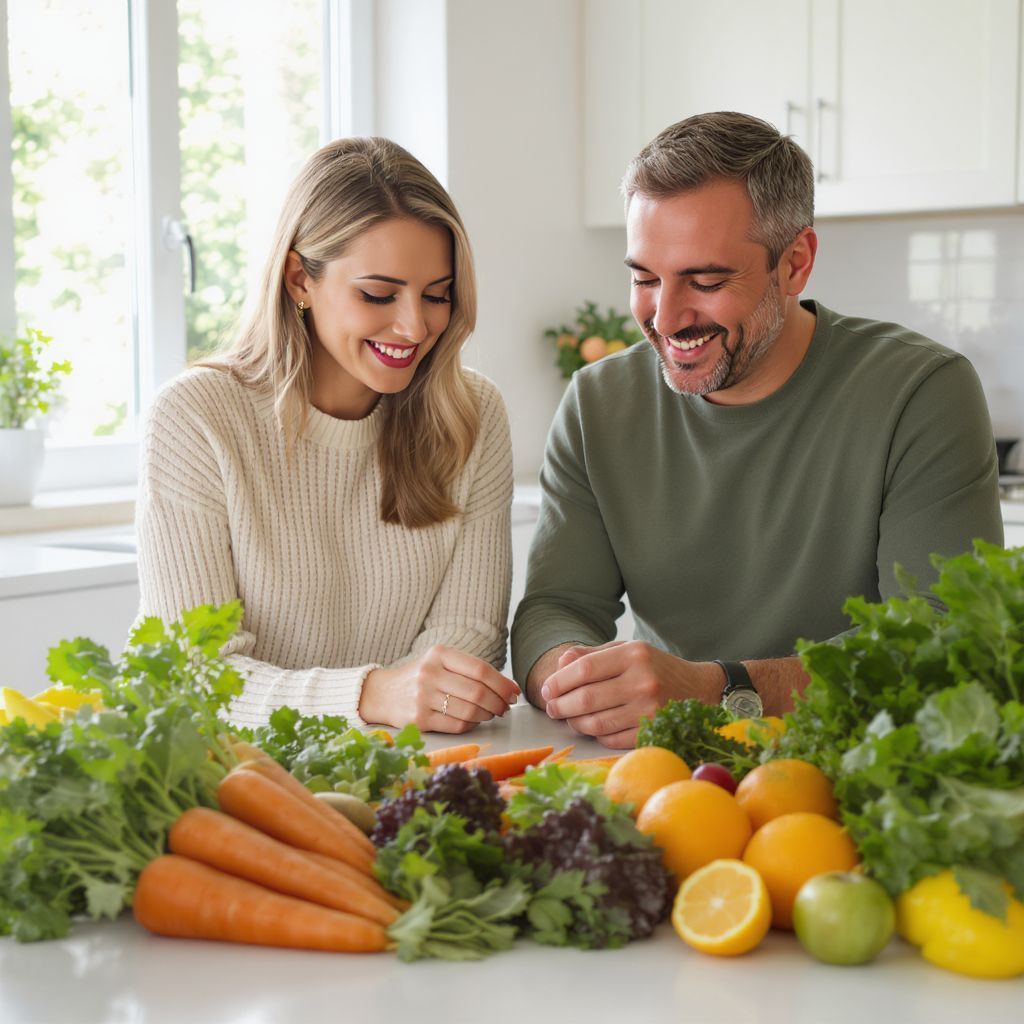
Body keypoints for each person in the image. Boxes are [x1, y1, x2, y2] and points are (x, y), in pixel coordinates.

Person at [511, 111, 1003, 748]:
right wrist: (575, 676)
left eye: (707, 281)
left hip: (859, 759)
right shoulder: (596, 403)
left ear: (795, 263)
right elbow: (555, 609)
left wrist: (718, 689)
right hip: (665, 767)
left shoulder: (922, 391)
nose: (666, 318)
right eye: (644, 278)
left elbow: (942, 640)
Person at [137, 137, 519, 732]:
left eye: (436, 296)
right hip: (233, 769)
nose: (414, 326)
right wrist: (370, 695)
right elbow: (193, 676)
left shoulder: (472, 413)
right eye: (378, 294)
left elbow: (469, 639)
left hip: (409, 760)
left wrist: (397, 711)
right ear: (299, 279)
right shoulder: (196, 417)